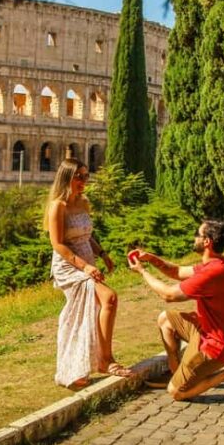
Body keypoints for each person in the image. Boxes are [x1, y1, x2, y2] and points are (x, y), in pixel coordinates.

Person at [128, 219, 224, 401]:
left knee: (176, 393)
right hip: (205, 331)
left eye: (197, 234)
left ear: (207, 241)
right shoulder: (213, 264)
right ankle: (176, 372)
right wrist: (151, 258)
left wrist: (143, 271)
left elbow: (169, 295)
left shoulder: (214, 272)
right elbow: (176, 271)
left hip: (217, 347)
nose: (194, 237)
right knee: (165, 320)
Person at [44, 158, 133, 388]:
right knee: (109, 298)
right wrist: (85, 267)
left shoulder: (83, 202)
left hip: (87, 258)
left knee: (84, 313)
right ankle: (105, 360)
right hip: (68, 264)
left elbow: (87, 234)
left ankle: (80, 367)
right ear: (67, 178)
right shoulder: (58, 206)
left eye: (86, 176)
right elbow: (58, 244)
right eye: (79, 177)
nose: (84, 181)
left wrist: (103, 254)